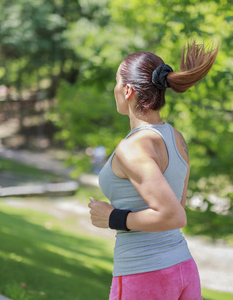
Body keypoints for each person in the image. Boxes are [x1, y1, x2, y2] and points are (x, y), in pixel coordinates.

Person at [88, 40, 219, 300]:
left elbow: (174, 216)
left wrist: (113, 218)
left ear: (127, 90)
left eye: (116, 82)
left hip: (145, 273)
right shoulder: (176, 138)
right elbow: (179, 206)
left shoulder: (132, 147)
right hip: (183, 268)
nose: (114, 88)